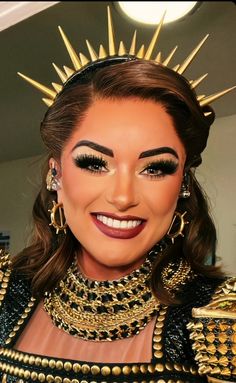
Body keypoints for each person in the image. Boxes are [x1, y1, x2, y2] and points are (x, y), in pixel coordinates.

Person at [0, 6, 235, 383]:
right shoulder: (4, 293)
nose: (123, 197)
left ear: (183, 183)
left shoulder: (222, 323)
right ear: (55, 174)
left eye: (155, 168)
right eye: (94, 163)